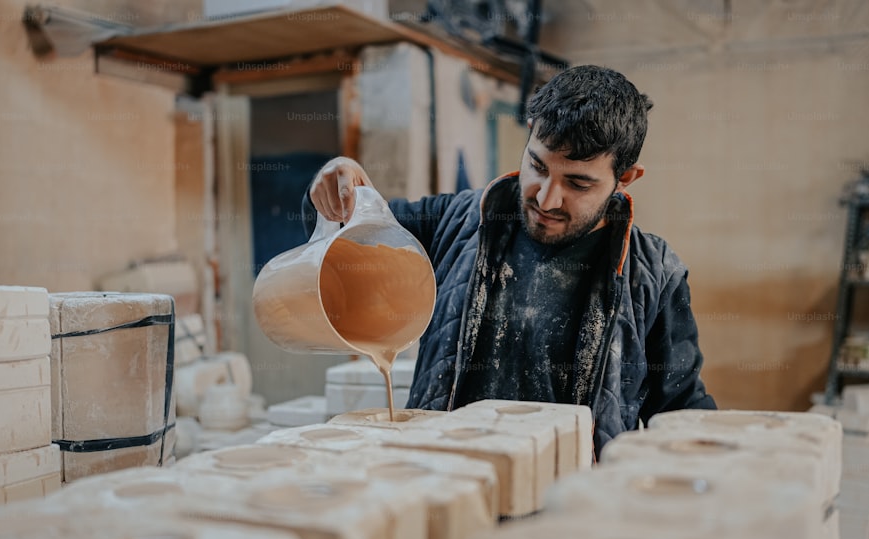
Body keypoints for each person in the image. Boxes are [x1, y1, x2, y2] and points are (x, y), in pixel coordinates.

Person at [303, 64, 715, 458]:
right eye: (537, 166)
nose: (546, 198)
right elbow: (345, 238)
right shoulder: (454, 223)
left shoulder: (654, 274)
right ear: (531, 133)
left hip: (566, 510)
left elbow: (679, 412)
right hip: (442, 486)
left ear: (625, 178)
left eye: (578, 183)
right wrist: (336, 191)